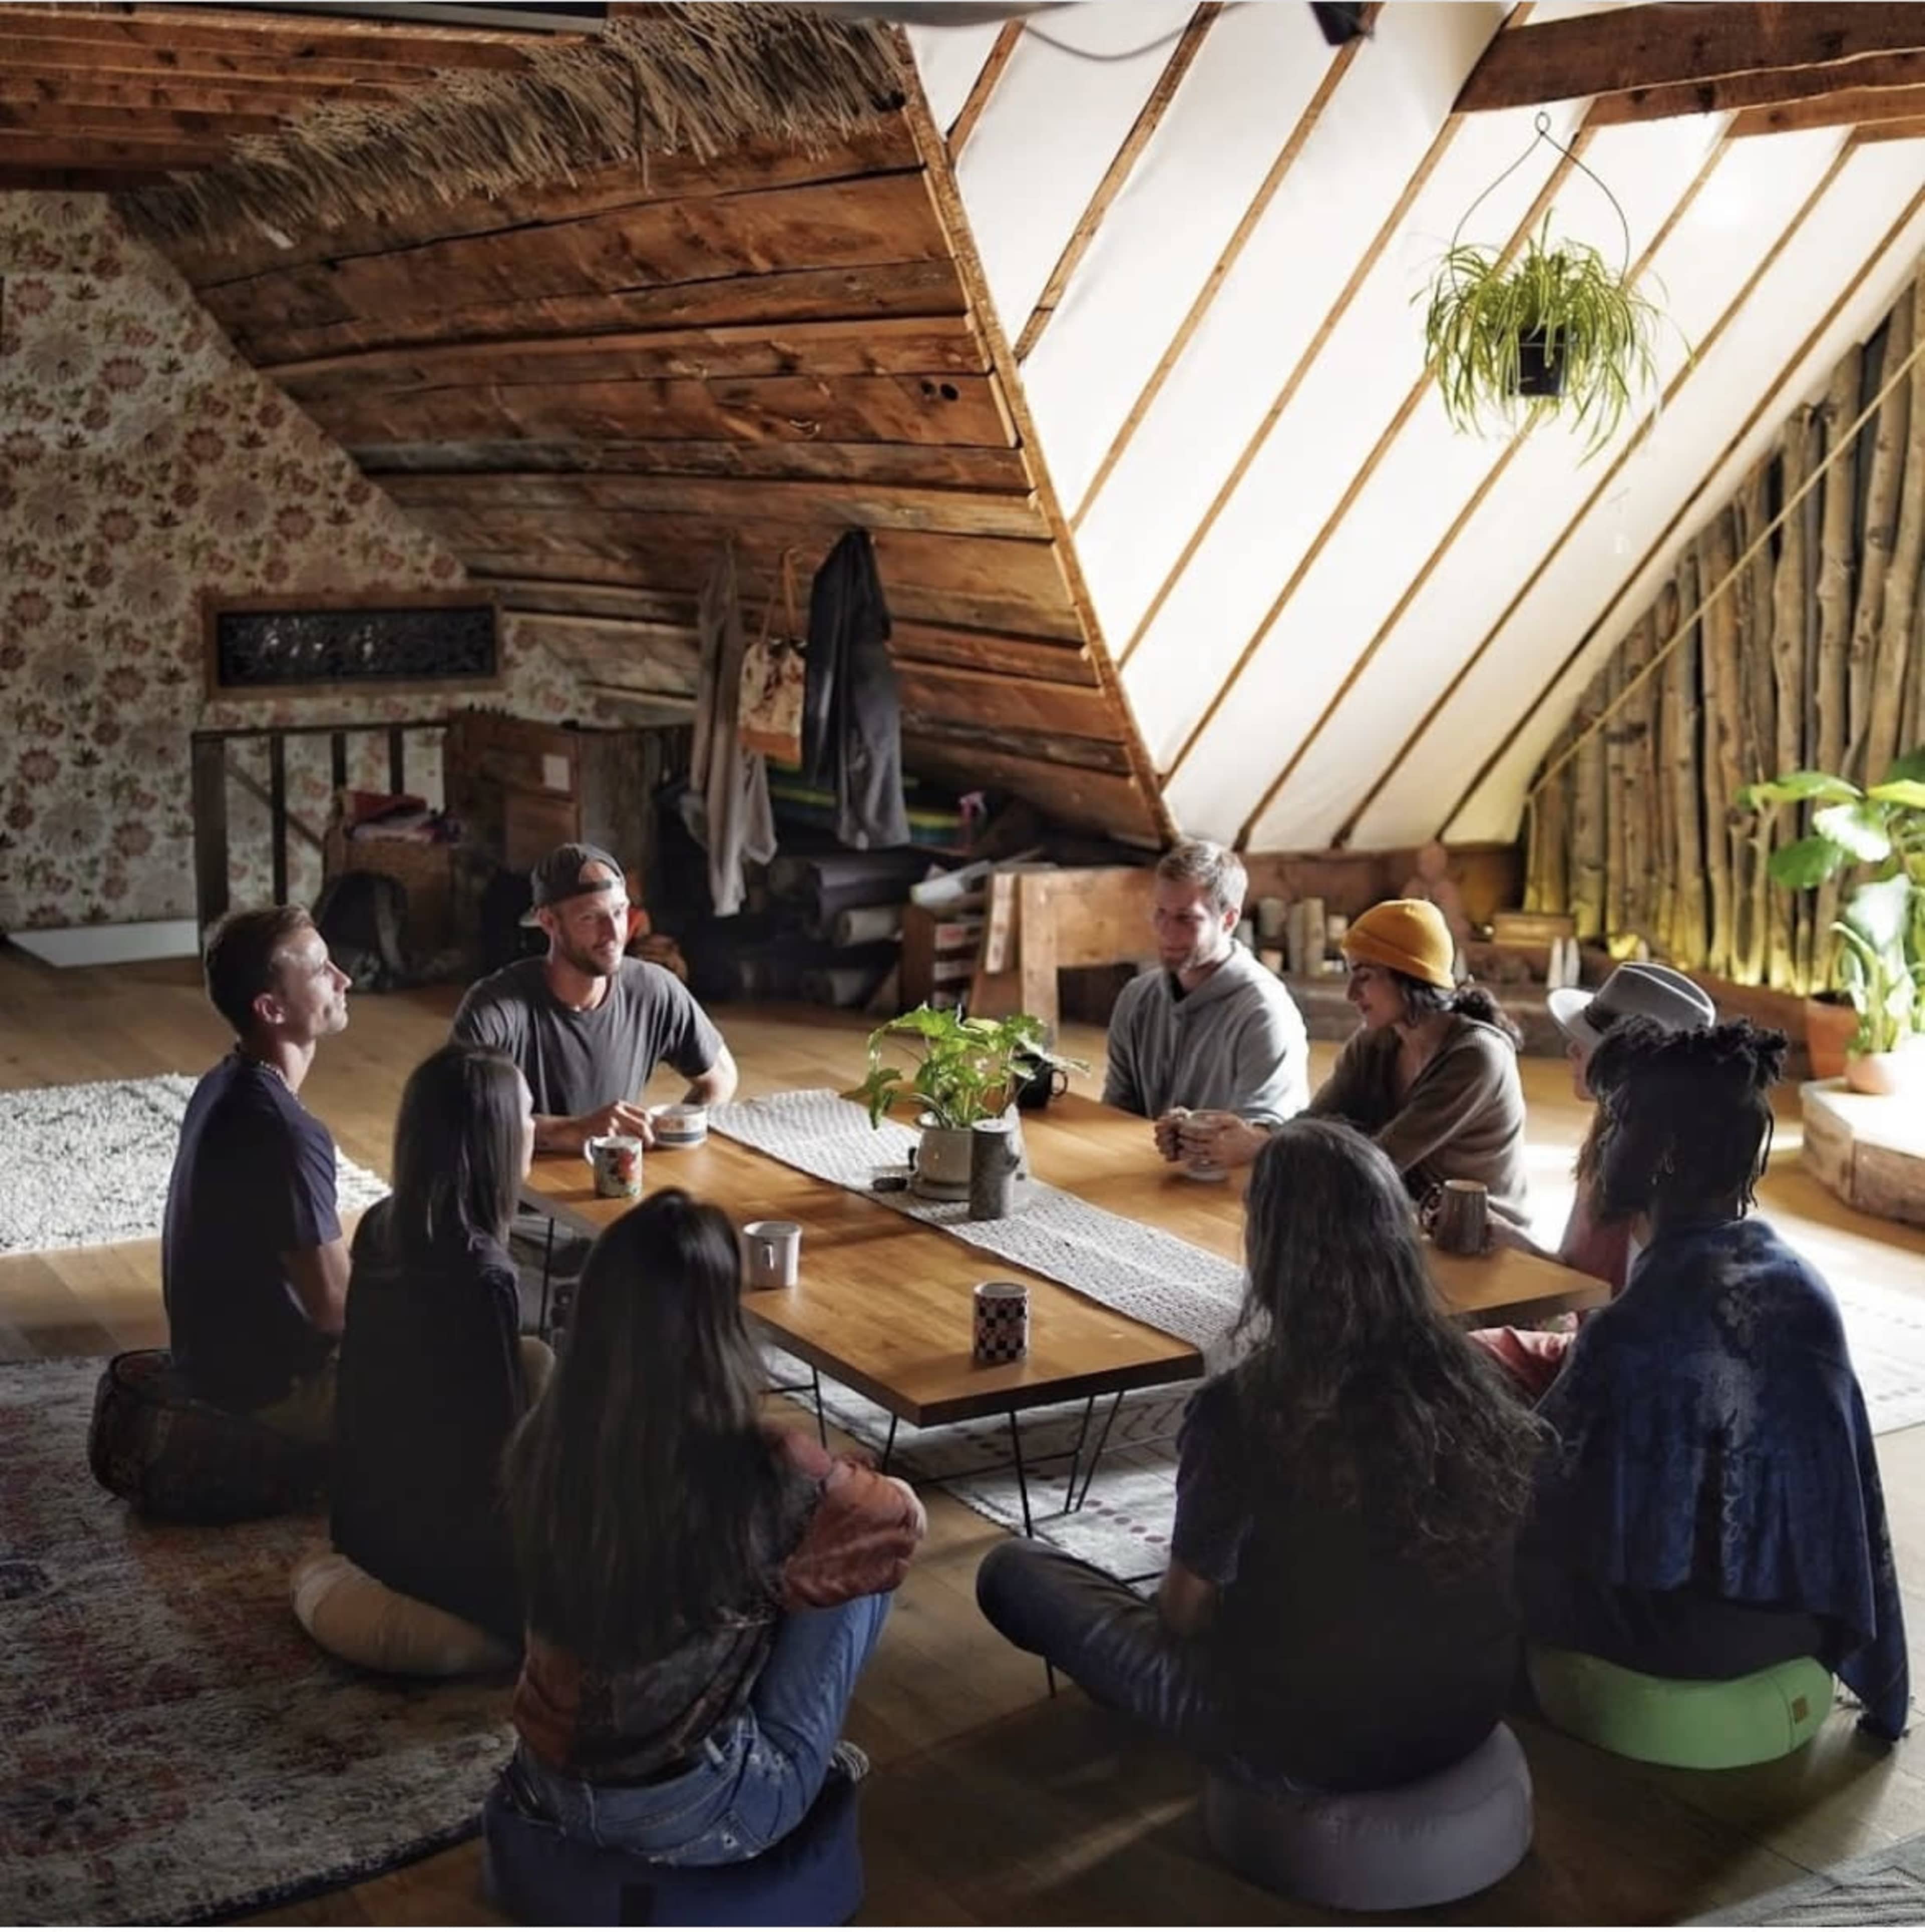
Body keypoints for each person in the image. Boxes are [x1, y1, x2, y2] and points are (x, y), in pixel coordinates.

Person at [976, 1119, 1544, 1791]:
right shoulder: (1465, 1377)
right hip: (1468, 1708)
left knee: (1015, 1570)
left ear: (1272, 1252)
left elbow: (1184, 1616)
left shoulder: (1243, 1406)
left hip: (1299, 1737)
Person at [503, 1190, 926, 1863]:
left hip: (545, 1781)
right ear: (719, 1325)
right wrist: (859, 1489)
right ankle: (796, 1766)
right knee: (857, 1542)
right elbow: (899, 1525)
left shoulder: (543, 1440)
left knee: (812, 1535)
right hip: (690, 1816)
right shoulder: (764, 1468)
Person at [1519, 1019, 1908, 1740]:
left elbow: (1544, 1496)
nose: (1605, 1142)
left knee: (1480, 1548)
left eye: (1619, 1123)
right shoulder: (1804, 1288)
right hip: (1808, 1617)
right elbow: (1851, 1500)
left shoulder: (1633, 1326)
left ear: (1662, 1153)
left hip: (1692, 1644)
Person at [330, 1042, 551, 1648]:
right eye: (527, 1115)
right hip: (451, 1561)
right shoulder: (483, 1274)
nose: (535, 1127)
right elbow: (497, 1457)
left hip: (362, 1523)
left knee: (539, 1361)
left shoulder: (381, 1223)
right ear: (497, 1138)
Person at [1186, 898, 1529, 1225]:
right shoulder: (1376, 1042)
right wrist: (1243, 1133)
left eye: (1364, 976)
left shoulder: (1476, 1056)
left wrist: (1261, 1146)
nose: (1351, 994)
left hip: (1482, 1238)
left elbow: (1380, 1162)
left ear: (1409, 977)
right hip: (1400, 1220)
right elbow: (1314, 1124)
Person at [1473, 962, 1715, 1397]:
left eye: (1587, 1042)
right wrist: (1512, 1239)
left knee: (1462, 1354)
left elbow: (1634, 1318)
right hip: (1596, 1342)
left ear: (1626, 1068)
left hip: (1619, 1368)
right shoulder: (1608, 1135)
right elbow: (1583, 1279)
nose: (1571, 1049)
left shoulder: (1658, 1172)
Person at [161, 906, 352, 1441]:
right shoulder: (287, 1131)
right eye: (321, 971)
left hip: (208, 1375)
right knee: (521, 1362)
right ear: (271, 1008)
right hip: (272, 1398)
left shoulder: (222, 1084)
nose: (344, 979)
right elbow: (334, 1311)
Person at [455, 842, 737, 1152]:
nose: (613, 933)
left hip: (614, 1177)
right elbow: (455, 1116)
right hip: (521, 1179)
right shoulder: (493, 1009)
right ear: (548, 922)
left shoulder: (654, 990)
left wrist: (667, 1140)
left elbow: (721, 1079)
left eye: (619, 912)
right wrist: (572, 1131)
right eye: (590, 918)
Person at [1103, 839, 1308, 1161]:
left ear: (1229, 920)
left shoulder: (1264, 1013)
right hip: (1146, 1171)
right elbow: (1116, 1114)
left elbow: (1262, 1140)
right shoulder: (1137, 998)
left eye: (1186, 919)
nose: (1167, 931)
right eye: (1161, 913)